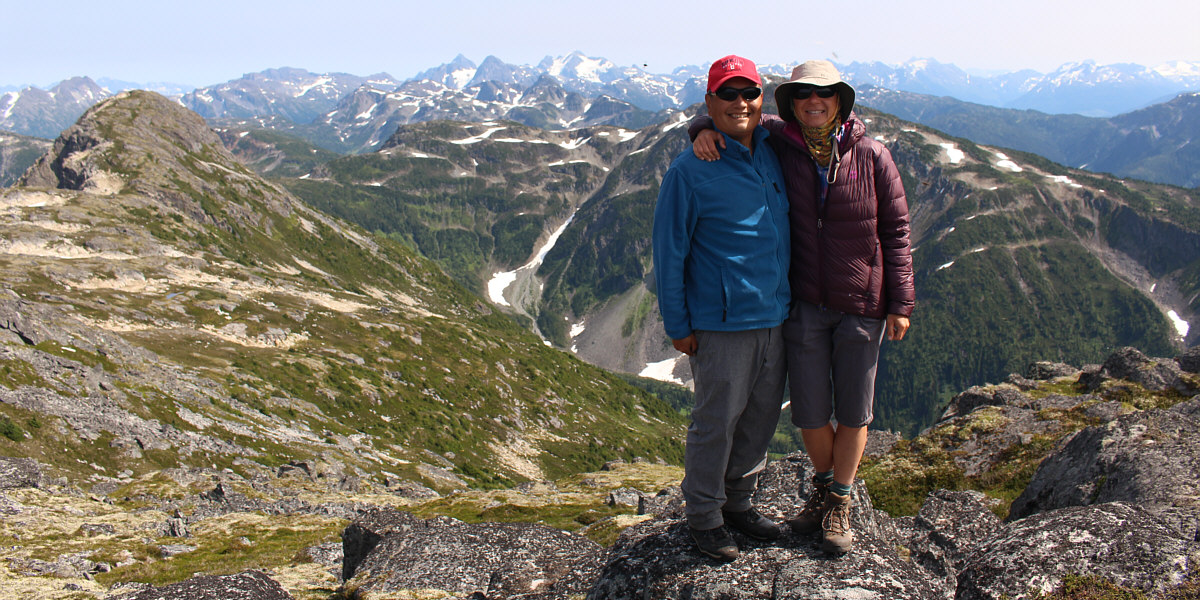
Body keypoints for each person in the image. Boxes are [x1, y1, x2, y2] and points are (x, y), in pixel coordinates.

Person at [691, 59, 914, 554]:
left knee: (854, 409)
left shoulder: (873, 156)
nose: (815, 102)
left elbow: (897, 234)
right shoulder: (778, 142)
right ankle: (824, 487)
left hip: (861, 303)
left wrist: (901, 302)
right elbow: (735, 116)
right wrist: (701, 126)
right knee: (810, 411)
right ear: (791, 103)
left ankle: (839, 499)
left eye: (825, 94)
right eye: (804, 95)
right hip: (805, 303)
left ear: (840, 101)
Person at [652, 54, 792, 562]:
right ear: (710, 102)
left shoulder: (775, 149)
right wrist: (678, 326)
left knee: (757, 421)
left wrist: (703, 125)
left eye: (749, 92)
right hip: (723, 323)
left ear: (762, 99)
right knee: (716, 422)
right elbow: (669, 253)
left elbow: (822, 123)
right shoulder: (690, 170)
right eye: (727, 95)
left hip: (776, 317)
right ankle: (705, 517)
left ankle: (739, 504)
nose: (741, 103)